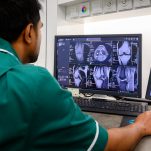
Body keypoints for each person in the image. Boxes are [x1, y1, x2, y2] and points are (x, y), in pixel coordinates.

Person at [1, 1, 151, 151]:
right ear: (29, 32)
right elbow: (106, 145)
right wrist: (141, 126)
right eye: (40, 29)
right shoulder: (34, 83)